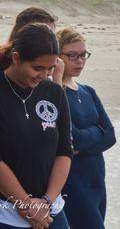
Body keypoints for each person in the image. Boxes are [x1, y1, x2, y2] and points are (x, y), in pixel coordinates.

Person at [0, 23, 73, 228]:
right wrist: (25, 204)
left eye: (50, 68)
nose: (44, 75)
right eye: (37, 68)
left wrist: (46, 202)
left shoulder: (54, 92)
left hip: (49, 209)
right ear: (16, 58)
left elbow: (65, 151)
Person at [57, 27, 116, 229]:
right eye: (72, 55)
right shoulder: (56, 93)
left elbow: (110, 135)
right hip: (72, 182)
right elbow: (72, 138)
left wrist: (82, 144)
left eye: (83, 55)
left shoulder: (88, 91)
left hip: (97, 179)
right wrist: (96, 132)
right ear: (57, 57)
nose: (80, 61)